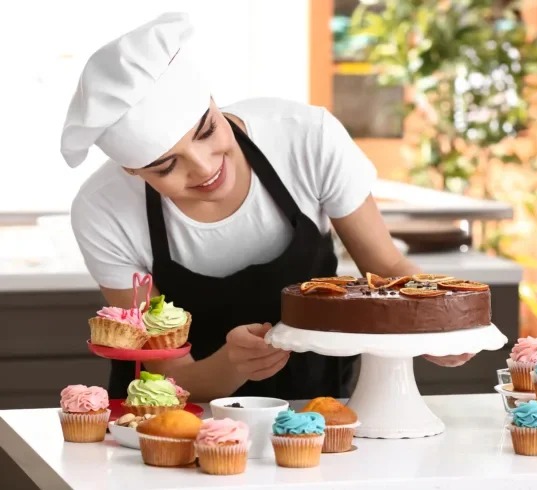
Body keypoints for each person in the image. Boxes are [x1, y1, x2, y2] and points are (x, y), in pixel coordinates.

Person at [61, 12, 476, 402]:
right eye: (167, 166)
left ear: (213, 102)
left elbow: (386, 268)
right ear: (133, 170)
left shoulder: (306, 138)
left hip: (316, 400)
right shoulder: (104, 212)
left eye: (208, 130)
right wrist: (231, 364)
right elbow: (167, 377)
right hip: (178, 422)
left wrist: (439, 322)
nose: (204, 169)